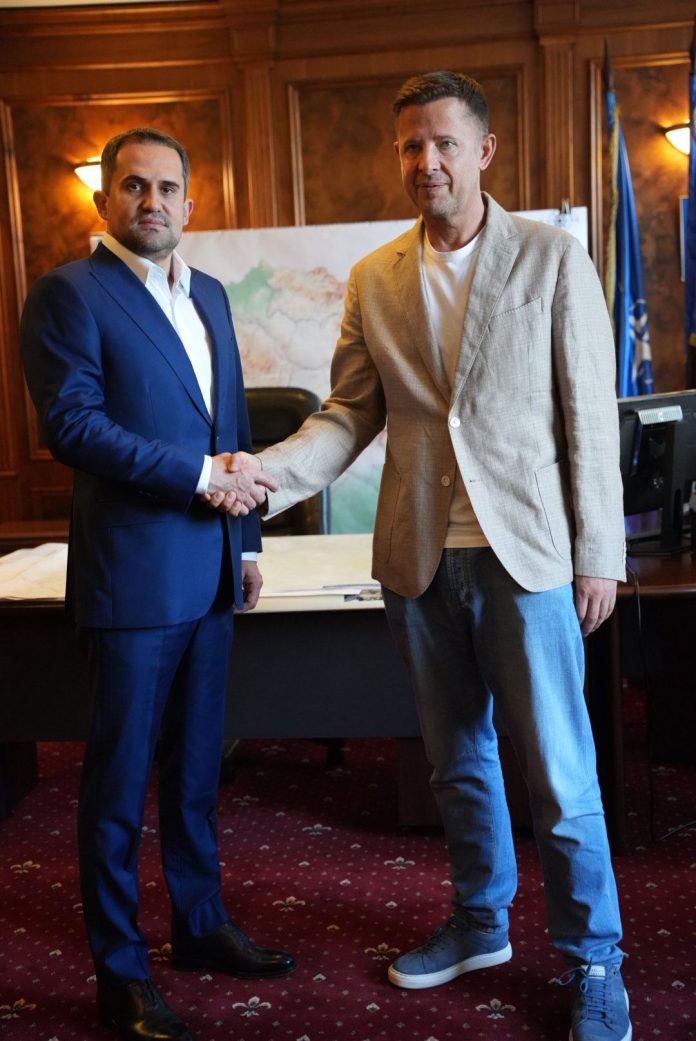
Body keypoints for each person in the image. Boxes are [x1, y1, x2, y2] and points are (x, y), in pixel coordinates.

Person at [229, 72, 631, 1041]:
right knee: (457, 762)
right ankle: (480, 922)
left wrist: (600, 553)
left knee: (560, 775)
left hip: (525, 556)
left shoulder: (551, 258)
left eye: (445, 142)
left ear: (483, 150)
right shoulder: (375, 277)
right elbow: (347, 415)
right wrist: (263, 477)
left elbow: (589, 413)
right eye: (411, 145)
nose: (427, 161)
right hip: (416, 559)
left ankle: (594, 960)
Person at [20, 127, 295, 1041]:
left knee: (195, 774)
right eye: (133, 186)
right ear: (105, 200)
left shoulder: (208, 292)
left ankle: (201, 924)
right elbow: (73, 426)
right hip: (131, 581)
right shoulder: (68, 292)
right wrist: (200, 476)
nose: (152, 201)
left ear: (189, 201)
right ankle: (121, 973)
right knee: (115, 789)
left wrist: (245, 542)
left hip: (212, 571)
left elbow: (229, 422)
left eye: (167, 187)